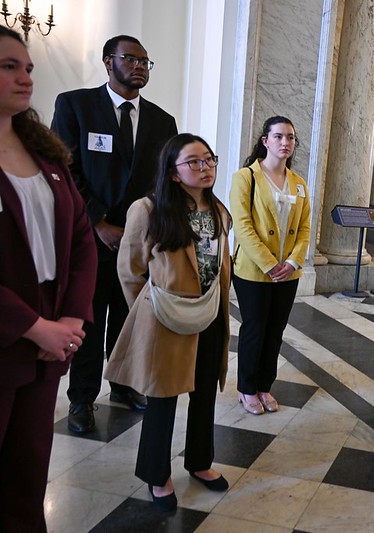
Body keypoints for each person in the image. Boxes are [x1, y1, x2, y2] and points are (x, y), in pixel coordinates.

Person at [51, 34, 178, 433]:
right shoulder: (75, 105)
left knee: (130, 318)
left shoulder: (162, 121)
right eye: (131, 59)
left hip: (139, 242)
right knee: (89, 322)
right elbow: (63, 168)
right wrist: (98, 221)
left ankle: (124, 386)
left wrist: (144, 229)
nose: (140, 66)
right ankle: (81, 400)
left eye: (145, 61)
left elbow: (163, 181)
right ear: (109, 62)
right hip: (91, 238)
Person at [0, 27, 97, 531]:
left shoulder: (42, 151)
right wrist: (34, 326)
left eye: (29, 67)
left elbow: (81, 238)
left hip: (49, 337)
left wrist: (69, 319)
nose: (25, 77)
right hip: (11, 329)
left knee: (26, 477)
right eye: (8, 66)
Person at [104, 134, 231, 511]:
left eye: (209, 159)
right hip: (166, 318)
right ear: (173, 173)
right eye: (194, 162)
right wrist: (148, 313)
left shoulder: (217, 210)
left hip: (209, 313)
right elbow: (130, 269)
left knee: (205, 390)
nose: (205, 167)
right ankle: (156, 473)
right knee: (162, 397)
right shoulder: (148, 209)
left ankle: (199, 462)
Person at [230, 115, 311, 415]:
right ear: (265, 140)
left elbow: (304, 228)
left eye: (290, 137)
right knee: (255, 328)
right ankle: (247, 388)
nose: (285, 143)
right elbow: (242, 226)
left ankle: (265, 386)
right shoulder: (245, 178)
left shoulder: (299, 183)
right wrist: (268, 263)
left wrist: (291, 262)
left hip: (288, 273)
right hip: (253, 271)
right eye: (278, 137)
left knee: (275, 329)